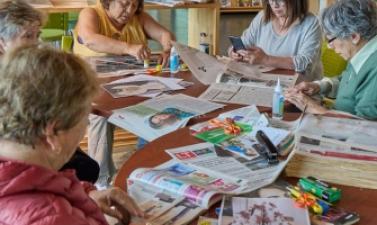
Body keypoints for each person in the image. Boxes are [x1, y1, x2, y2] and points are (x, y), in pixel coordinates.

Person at [0, 44, 144, 224]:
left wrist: (84, 196)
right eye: (85, 119)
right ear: (52, 133)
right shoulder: (55, 218)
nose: (87, 125)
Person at [74, 0, 175, 188]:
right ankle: (101, 180)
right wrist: (128, 48)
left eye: (134, 5)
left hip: (134, 86)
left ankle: (146, 167)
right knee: (100, 113)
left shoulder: (140, 18)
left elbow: (165, 34)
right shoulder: (91, 13)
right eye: (124, 3)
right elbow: (90, 39)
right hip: (95, 87)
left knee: (164, 102)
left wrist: (167, 49)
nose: (129, 10)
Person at [0, 0, 100, 183]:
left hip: (35, 135)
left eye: (38, 35)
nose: (38, 43)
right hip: (20, 146)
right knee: (85, 168)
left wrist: (76, 106)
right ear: (1, 43)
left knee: (88, 167)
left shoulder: (22, 67)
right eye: (28, 36)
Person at [285, 0, 377, 120]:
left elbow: (365, 128)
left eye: (330, 39)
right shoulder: (364, 52)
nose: (329, 46)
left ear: (354, 36)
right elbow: (349, 82)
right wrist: (319, 86)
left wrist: (315, 108)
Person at [229, 0, 322, 82]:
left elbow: (305, 63)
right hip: (266, 82)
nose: (274, 5)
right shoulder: (262, 16)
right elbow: (244, 43)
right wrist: (234, 52)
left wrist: (266, 59)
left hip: (301, 88)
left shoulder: (311, 23)